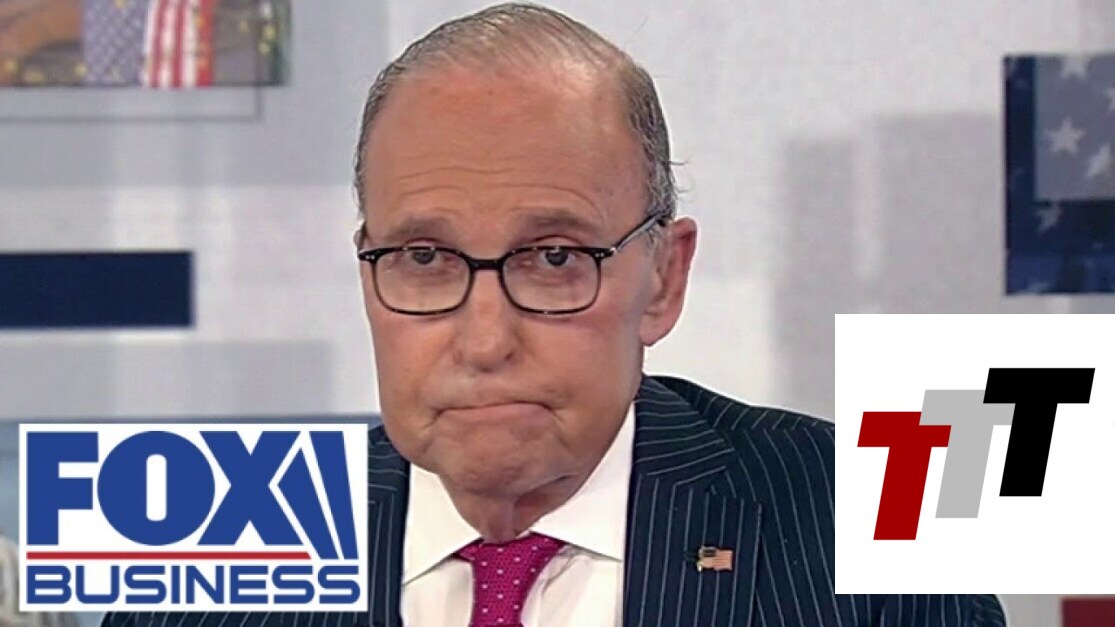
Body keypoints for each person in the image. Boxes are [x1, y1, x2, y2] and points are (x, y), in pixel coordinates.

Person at [104, 3, 1007, 626]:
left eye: (553, 258)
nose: (484, 340)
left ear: (662, 277)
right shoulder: (208, 559)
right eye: (424, 259)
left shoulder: (873, 528)